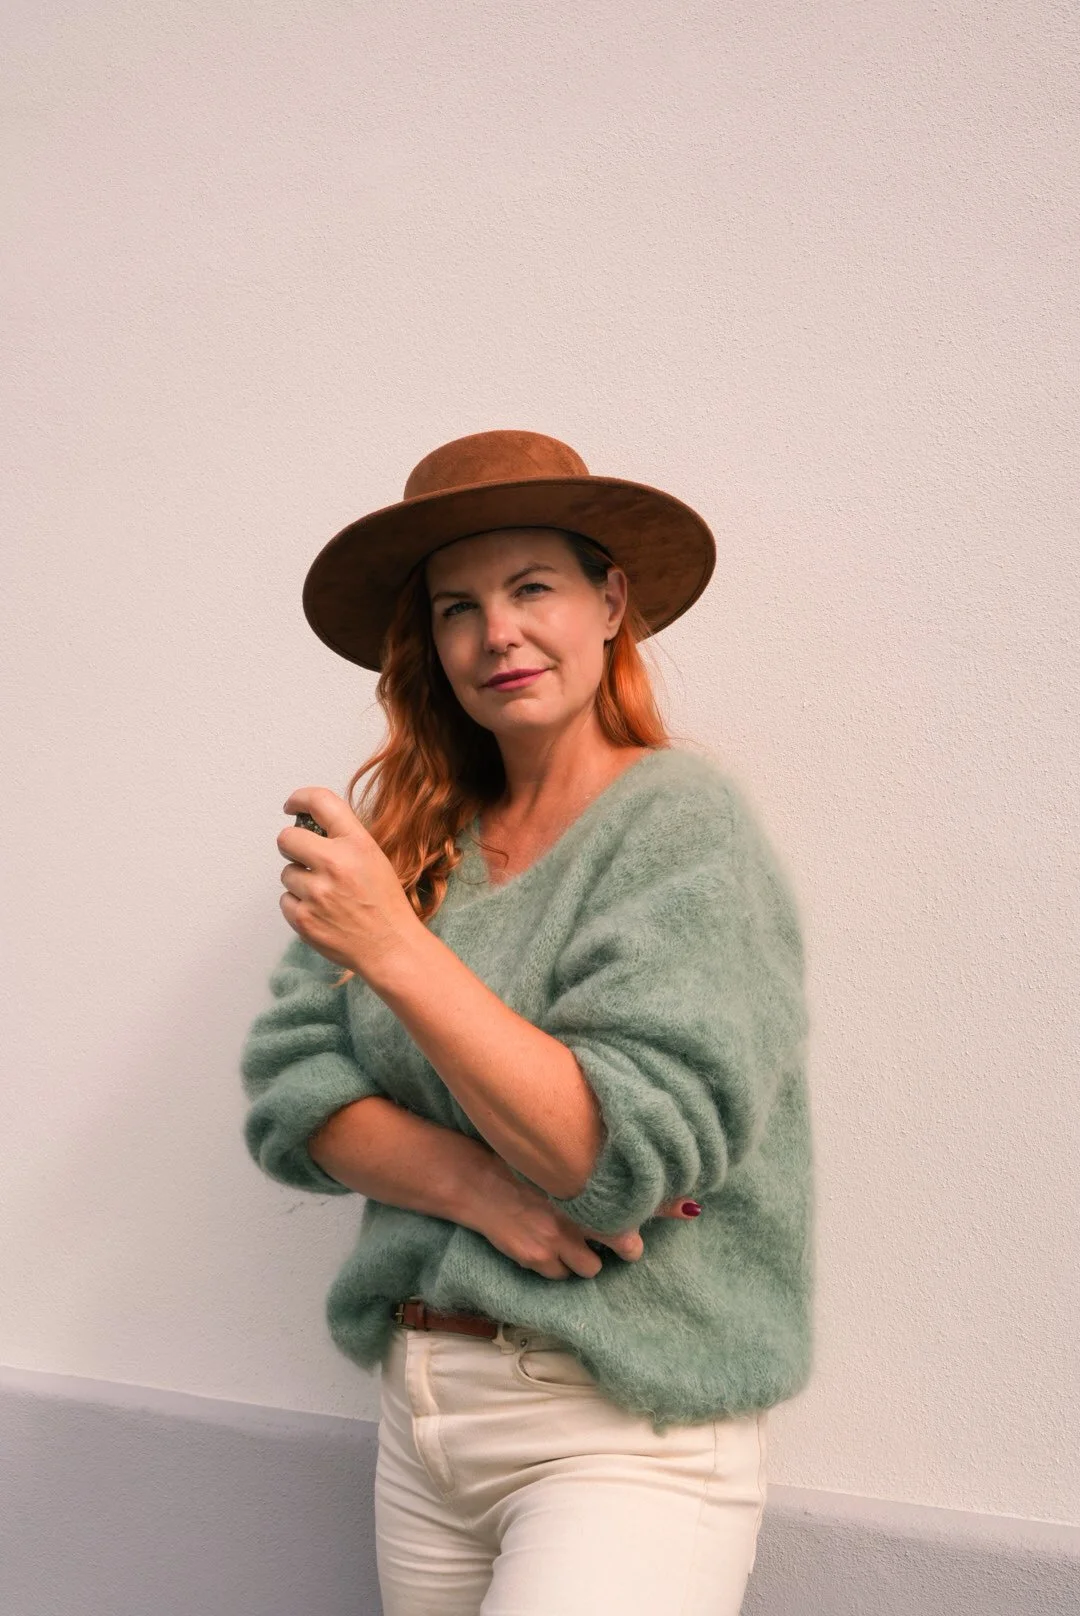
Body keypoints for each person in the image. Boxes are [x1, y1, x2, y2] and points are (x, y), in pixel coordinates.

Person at [239, 428, 813, 1616]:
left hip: (622, 1421)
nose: (496, 632)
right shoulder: (411, 842)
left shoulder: (680, 825)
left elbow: (605, 1153)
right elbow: (294, 1086)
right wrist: (477, 1187)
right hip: (423, 1418)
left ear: (611, 602)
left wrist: (393, 946)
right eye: (458, 606)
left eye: (532, 587)